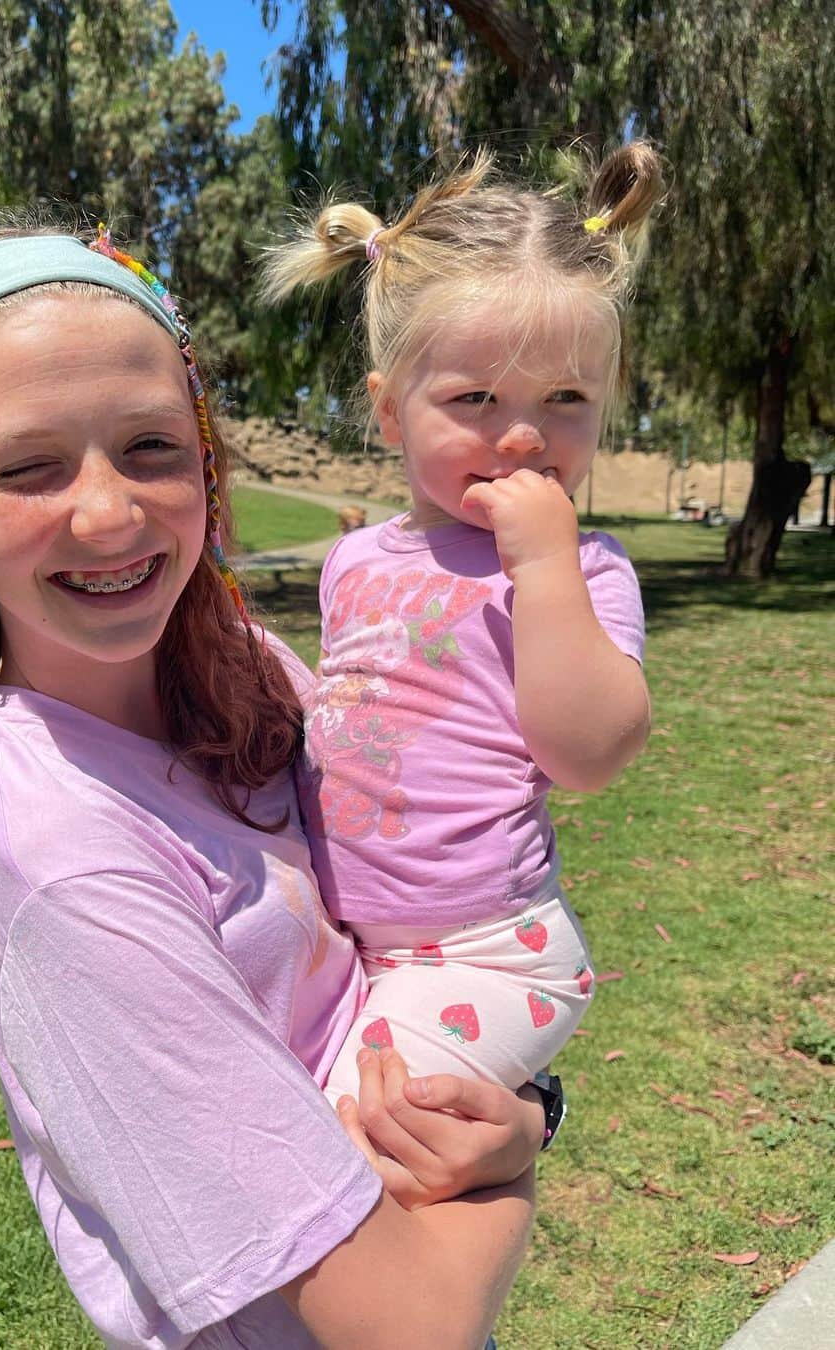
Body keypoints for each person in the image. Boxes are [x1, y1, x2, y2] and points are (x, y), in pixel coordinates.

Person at [0, 221, 547, 1349]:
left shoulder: (254, 673)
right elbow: (414, 1325)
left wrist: (516, 1111)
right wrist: (514, 1171)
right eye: (26, 467)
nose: (107, 512)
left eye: (148, 446)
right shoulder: (57, 848)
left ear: (203, 451)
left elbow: (441, 913)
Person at [261, 144, 660, 1107]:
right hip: (357, 948)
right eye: (476, 399)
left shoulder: (587, 570)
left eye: (566, 399)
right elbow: (358, 715)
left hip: (491, 955)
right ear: (391, 410)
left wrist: (544, 569)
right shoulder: (356, 561)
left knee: (348, 1132)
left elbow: (591, 752)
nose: (523, 436)